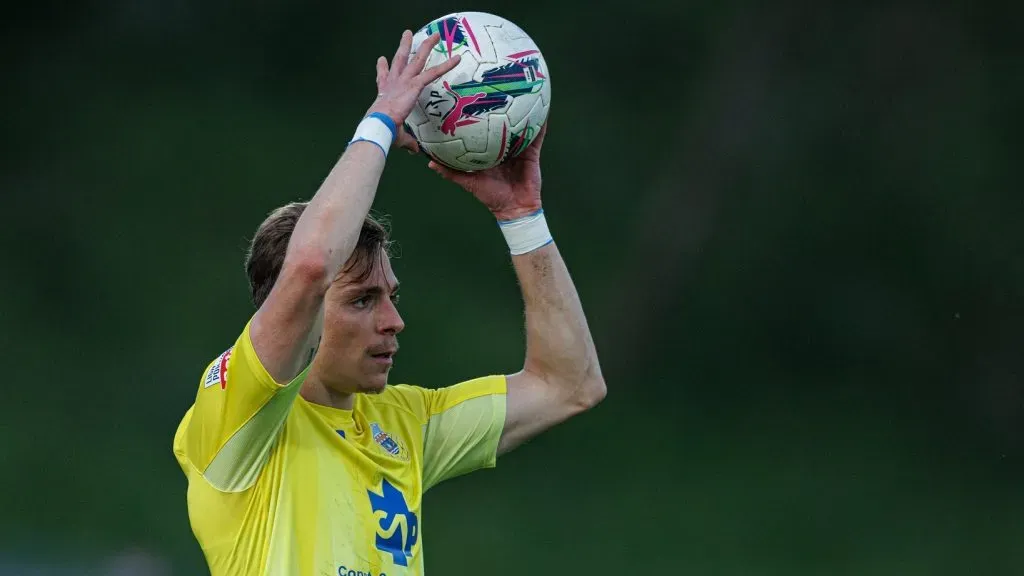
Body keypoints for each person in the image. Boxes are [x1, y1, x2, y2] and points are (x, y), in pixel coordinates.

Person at [172, 29, 605, 576]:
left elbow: (570, 385)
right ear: (301, 316)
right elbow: (308, 270)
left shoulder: (406, 426)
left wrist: (522, 218)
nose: (394, 321)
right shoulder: (241, 418)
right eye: (362, 300)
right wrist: (379, 122)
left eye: (391, 297)